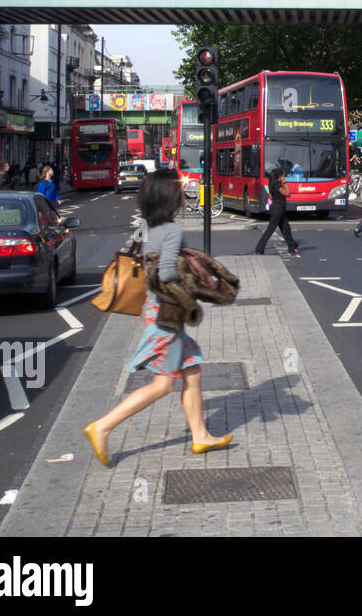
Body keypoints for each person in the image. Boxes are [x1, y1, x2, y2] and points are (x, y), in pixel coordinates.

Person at [83, 170, 231, 466]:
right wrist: (196, 274)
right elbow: (165, 272)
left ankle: (200, 435)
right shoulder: (172, 231)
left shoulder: (147, 227)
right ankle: (103, 426)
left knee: (193, 371)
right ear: (168, 196)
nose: (182, 191)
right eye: (178, 188)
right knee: (163, 384)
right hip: (167, 313)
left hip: (156, 309)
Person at [255, 166, 299, 256]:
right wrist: (285, 184)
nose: (284, 177)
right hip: (278, 209)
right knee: (270, 229)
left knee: (286, 228)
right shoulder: (278, 185)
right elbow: (287, 194)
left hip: (277, 208)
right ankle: (259, 248)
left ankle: (292, 246)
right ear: (279, 176)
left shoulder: (271, 184)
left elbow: (270, 197)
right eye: (283, 176)